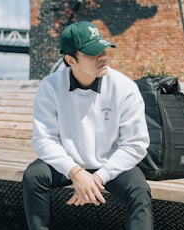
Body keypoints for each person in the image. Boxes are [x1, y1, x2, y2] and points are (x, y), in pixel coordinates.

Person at [23, 21, 153, 230]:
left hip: (110, 164)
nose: (102, 56)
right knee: (33, 176)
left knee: (139, 189)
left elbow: (136, 144)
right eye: (93, 53)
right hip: (68, 162)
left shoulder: (125, 88)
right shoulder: (50, 86)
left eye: (103, 48)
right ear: (70, 59)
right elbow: (43, 139)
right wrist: (76, 172)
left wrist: (97, 177)